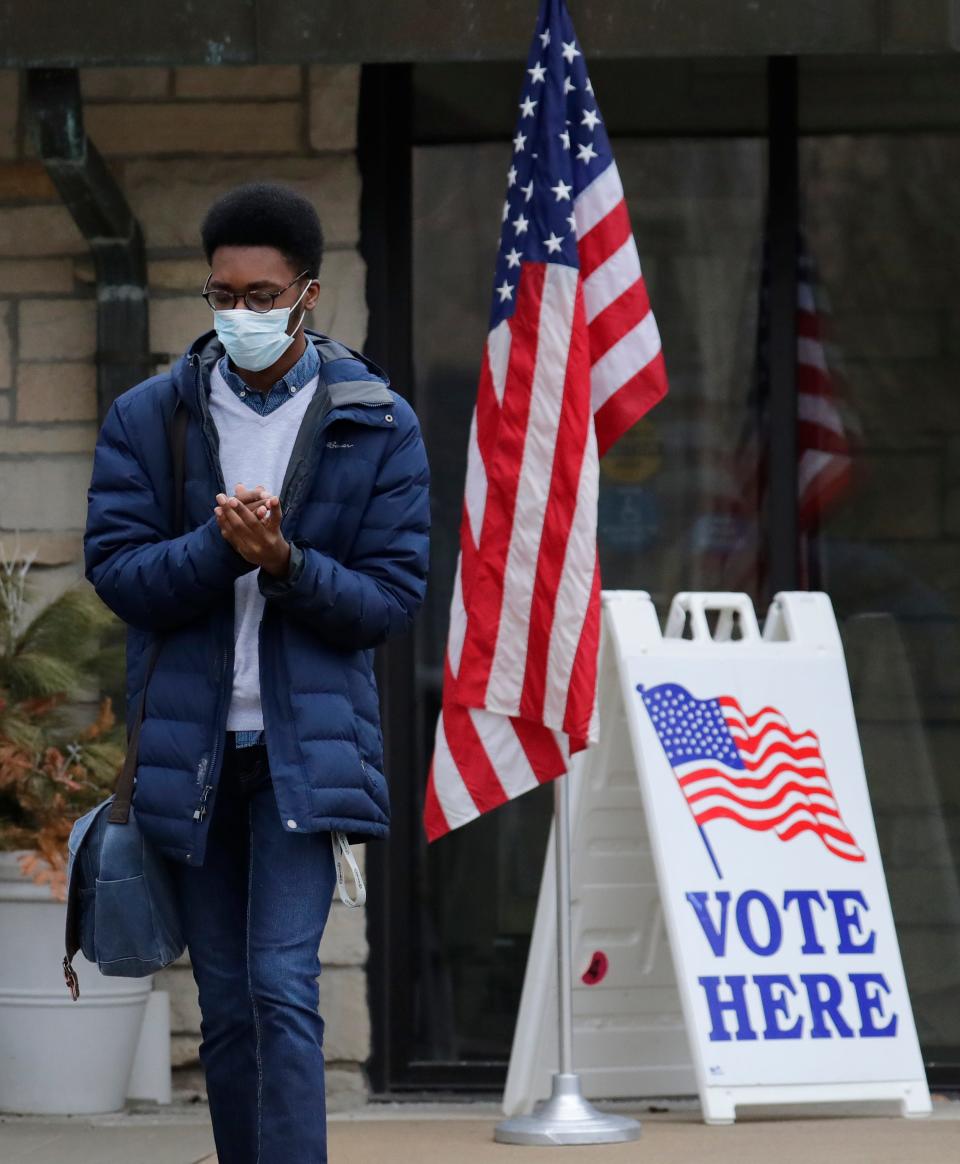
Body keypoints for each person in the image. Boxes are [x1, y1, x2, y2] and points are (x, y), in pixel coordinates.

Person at [84, 182, 430, 1163]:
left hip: (300, 757)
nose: (239, 314)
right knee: (227, 1009)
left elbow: (389, 602)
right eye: (222, 295)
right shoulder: (150, 418)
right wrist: (223, 550)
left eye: (261, 295)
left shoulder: (377, 421)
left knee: (283, 987)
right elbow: (118, 575)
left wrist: (285, 564)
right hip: (188, 756)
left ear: (308, 294)